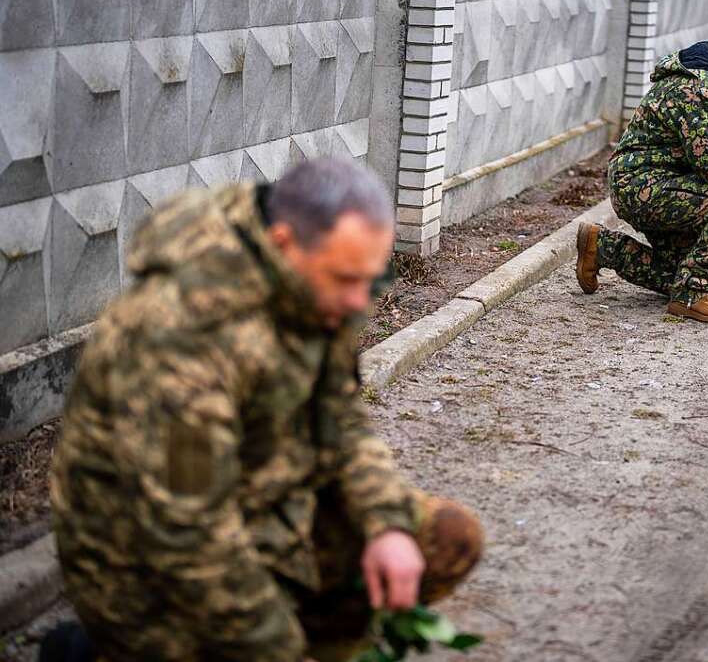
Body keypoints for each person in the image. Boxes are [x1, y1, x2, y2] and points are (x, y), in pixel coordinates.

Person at [47, 159, 483, 662]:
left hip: (267, 505)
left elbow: (340, 416)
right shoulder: (182, 335)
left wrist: (384, 523)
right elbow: (188, 533)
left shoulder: (314, 289)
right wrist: (277, 648)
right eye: (346, 279)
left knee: (447, 539)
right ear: (282, 245)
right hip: (146, 564)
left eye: (369, 279)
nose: (359, 300)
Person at [574, 30, 708, 325]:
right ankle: (690, 297)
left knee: (679, 271)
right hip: (643, 185)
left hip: (665, 183)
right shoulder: (700, 88)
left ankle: (602, 247)